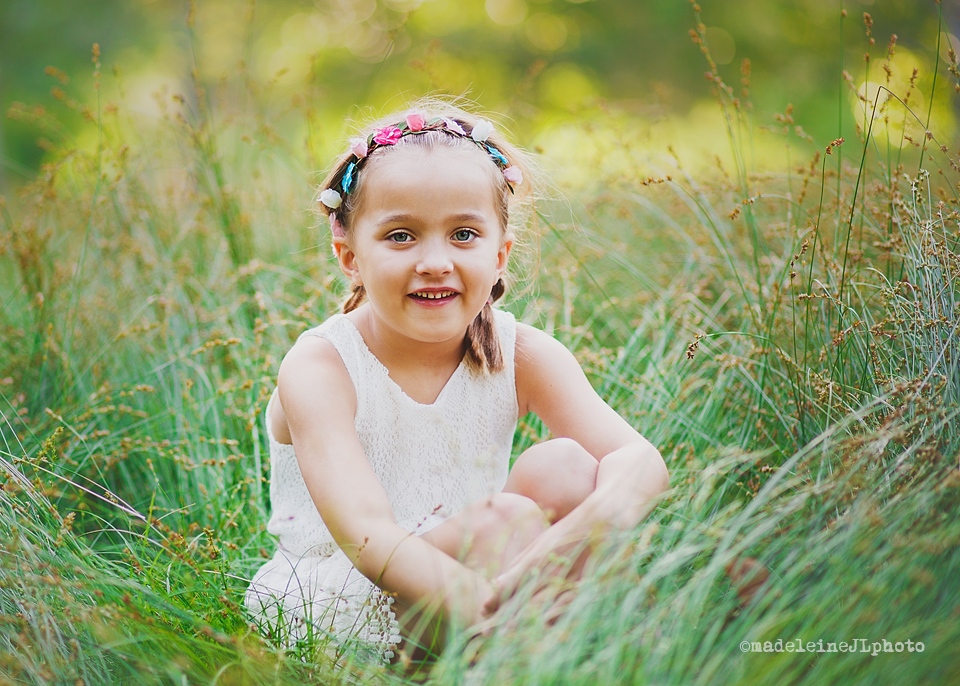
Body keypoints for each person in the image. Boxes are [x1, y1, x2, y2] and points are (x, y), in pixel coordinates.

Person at [244, 100, 669, 664]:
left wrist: (586, 527)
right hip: (340, 600)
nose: (435, 262)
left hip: (484, 573)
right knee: (509, 521)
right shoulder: (322, 367)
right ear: (349, 256)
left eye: (464, 234)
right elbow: (368, 536)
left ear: (500, 255)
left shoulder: (522, 353)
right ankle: (518, 654)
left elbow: (639, 461)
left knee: (567, 466)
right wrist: (488, 604)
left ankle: (546, 655)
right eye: (401, 237)